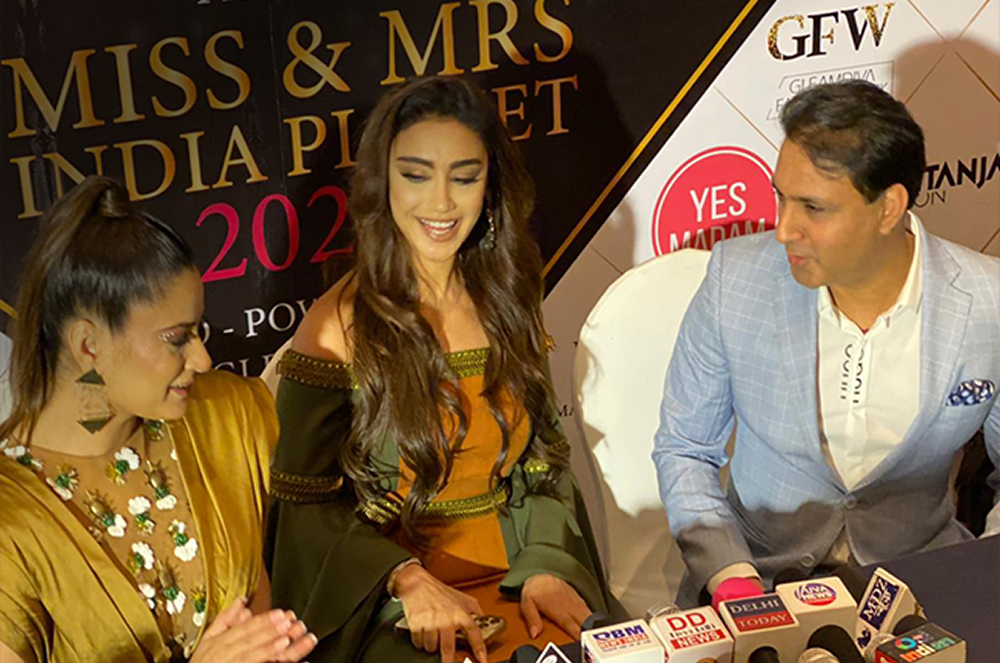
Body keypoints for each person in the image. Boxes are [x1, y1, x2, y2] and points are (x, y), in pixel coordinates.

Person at [264, 76, 615, 663]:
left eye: (464, 177)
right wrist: (403, 578)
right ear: (382, 181)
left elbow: (543, 461)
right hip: (391, 602)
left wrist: (548, 566)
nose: (442, 204)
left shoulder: (508, 299)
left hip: (519, 578)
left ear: (491, 183)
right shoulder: (334, 327)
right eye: (416, 175)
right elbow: (303, 510)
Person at [652, 80, 1000, 607]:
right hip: (757, 582)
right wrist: (732, 579)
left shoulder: (987, 303)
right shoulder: (734, 281)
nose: (784, 230)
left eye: (813, 208)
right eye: (781, 198)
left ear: (888, 207)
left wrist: (984, 572)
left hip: (920, 585)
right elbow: (684, 449)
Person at [0, 177, 317, 663]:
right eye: (177, 338)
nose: (202, 359)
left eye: (198, 331)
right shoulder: (11, 519)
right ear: (89, 345)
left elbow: (320, 540)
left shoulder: (225, 415)